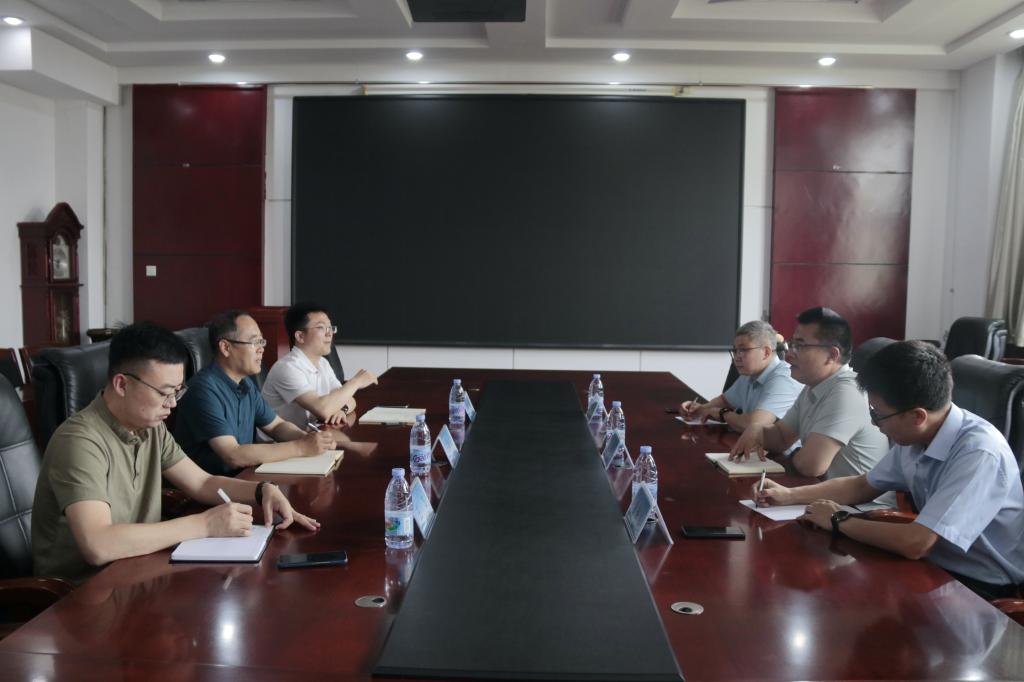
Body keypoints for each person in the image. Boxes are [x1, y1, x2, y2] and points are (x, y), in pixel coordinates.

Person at [32, 322, 319, 584]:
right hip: (83, 595)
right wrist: (204, 524)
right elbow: (98, 545)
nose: (172, 404)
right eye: (164, 392)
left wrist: (261, 490)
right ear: (122, 384)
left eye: (177, 392)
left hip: (138, 572)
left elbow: (202, 482)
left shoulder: (150, 427)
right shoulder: (80, 441)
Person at [754, 341, 1024, 600]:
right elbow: (863, 485)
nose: (875, 424)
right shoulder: (919, 435)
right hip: (933, 566)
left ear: (917, 416)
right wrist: (788, 495)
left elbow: (917, 543)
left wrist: (838, 520)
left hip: (978, 586)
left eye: (878, 415)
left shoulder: (979, 453)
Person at [730, 307, 889, 481]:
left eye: (800, 346)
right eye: (792, 344)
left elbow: (811, 465)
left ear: (832, 355)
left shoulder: (847, 392)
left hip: (856, 499)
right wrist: (757, 430)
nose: (789, 353)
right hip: (821, 491)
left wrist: (783, 460)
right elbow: (781, 436)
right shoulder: (813, 386)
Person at [174, 310, 335, 476]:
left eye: (262, 341)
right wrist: (300, 447)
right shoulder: (202, 389)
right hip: (213, 486)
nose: (261, 349)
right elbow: (233, 455)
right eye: (254, 342)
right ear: (226, 347)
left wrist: (309, 439)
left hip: (244, 476)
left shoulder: (246, 384)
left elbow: (277, 426)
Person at [262, 302, 378, 438]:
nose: (329, 333)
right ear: (300, 336)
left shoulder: (323, 363)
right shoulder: (287, 368)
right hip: (280, 444)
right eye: (321, 328)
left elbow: (349, 400)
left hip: (310, 438)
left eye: (330, 328)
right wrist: (356, 382)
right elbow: (323, 410)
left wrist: (342, 410)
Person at [680, 320, 801, 433]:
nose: (737, 357)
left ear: (766, 352)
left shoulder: (785, 379)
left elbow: (754, 424)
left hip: (782, 449)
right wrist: (697, 409)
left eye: (743, 350)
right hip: (755, 445)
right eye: (735, 350)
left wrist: (723, 414)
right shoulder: (749, 374)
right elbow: (725, 401)